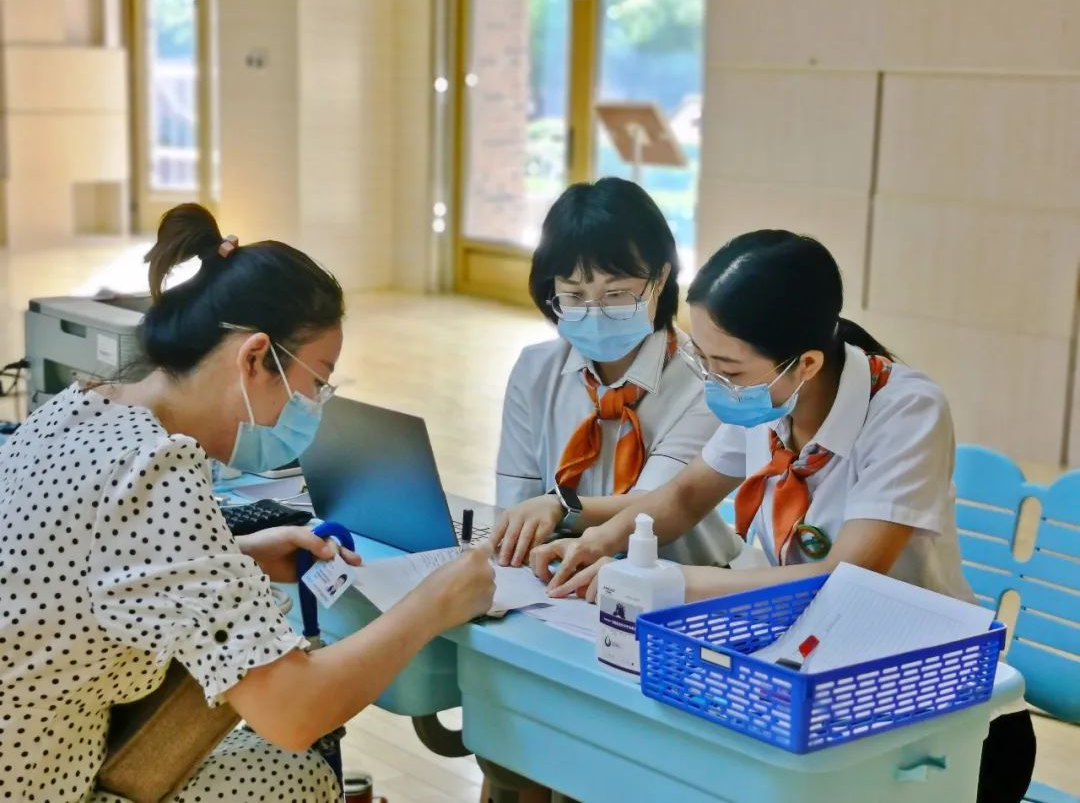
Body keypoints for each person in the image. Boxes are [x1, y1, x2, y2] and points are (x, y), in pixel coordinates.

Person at [0, 204, 495, 803]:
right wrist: (435, 601)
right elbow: (294, 713)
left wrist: (234, 554)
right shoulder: (155, 474)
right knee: (292, 775)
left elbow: (82, 569)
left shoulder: (80, 409)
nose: (315, 405)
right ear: (255, 358)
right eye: (316, 382)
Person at [530, 229, 1035, 803]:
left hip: (939, 720)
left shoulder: (906, 411)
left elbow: (845, 581)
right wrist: (594, 540)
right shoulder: (766, 400)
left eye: (729, 369)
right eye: (705, 360)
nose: (715, 384)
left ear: (807, 363)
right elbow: (682, 498)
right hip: (803, 689)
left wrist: (674, 583)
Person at [492, 177, 743, 570]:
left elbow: (655, 509)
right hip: (559, 574)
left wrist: (561, 507)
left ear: (659, 279)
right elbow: (516, 504)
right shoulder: (535, 370)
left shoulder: (706, 381)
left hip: (682, 581)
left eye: (616, 294)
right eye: (573, 296)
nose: (595, 311)